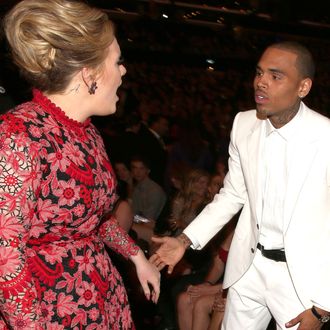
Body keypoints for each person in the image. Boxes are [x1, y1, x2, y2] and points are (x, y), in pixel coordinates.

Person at [0, 1, 160, 329]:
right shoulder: (18, 133)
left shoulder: (89, 133)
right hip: (51, 309)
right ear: (90, 73)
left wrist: (136, 255)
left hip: (102, 298)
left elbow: (91, 219)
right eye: (118, 62)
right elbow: (6, 254)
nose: (124, 71)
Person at [150, 41, 330, 330]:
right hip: (248, 265)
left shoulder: (326, 137)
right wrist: (185, 240)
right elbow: (232, 195)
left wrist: (324, 304)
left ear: (303, 87)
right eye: (259, 73)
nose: (261, 82)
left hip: (301, 281)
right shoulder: (244, 124)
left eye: (275, 76)